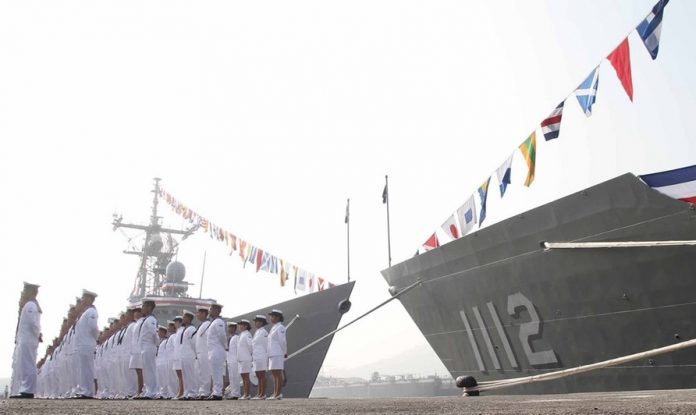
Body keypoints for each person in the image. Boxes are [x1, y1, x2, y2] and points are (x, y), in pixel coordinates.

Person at [10, 282, 42, 399]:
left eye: (26, 290)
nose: (24, 293)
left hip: (28, 339)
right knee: (25, 364)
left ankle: (28, 390)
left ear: (32, 292)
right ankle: (26, 389)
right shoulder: (30, 305)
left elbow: (33, 323)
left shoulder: (30, 305)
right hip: (27, 339)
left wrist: (38, 335)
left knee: (28, 364)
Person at [73, 290, 99, 399]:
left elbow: (93, 328)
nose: (82, 300)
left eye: (84, 298)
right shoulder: (86, 313)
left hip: (87, 344)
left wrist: (94, 339)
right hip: (83, 345)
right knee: (83, 369)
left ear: (90, 299)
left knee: (87, 369)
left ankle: (88, 391)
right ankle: (84, 390)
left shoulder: (91, 311)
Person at [135, 299, 158, 399]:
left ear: (149, 307)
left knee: (150, 370)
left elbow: (154, 333)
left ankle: (152, 391)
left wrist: (156, 344)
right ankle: (148, 390)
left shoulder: (151, 319)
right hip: (144, 348)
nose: (142, 308)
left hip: (149, 347)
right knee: (146, 370)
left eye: (144, 306)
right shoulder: (146, 319)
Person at [206, 303, 227, 400]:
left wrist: (224, 347)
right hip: (213, 350)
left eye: (211, 309)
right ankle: (215, 392)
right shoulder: (214, 322)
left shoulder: (219, 321)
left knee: (217, 372)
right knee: (214, 372)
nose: (209, 311)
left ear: (216, 311)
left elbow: (222, 336)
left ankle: (218, 393)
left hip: (217, 350)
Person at [267, 309, 287, 400]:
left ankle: (278, 393)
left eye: (273, 316)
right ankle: (275, 393)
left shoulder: (280, 327)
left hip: (278, 353)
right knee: (274, 374)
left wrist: (285, 352)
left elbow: (282, 341)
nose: (271, 318)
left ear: (278, 317)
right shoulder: (274, 327)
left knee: (278, 373)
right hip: (272, 353)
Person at [178, 310, 198, 399]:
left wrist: (194, 354)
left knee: (190, 374)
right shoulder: (185, 329)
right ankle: (187, 392)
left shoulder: (192, 329)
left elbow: (194, 343)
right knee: (185, 375)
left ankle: (192, 393)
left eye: (185, 317)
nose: (183, 318)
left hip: (189, 354)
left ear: (189, 318)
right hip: (184, 354)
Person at [193, 306, 212, 398]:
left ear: (204, 314)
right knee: (200, 373)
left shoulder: (208, 324)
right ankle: (201, 391)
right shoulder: (202, 325)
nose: (197, 315)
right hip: (200, 352)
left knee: (205, 372)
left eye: (199, 313)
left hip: (205, 351)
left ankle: (205, 392)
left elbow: (209, 338)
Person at [128, 304, 145, 397]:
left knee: (140, 371)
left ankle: (140, 390)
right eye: (135, 312)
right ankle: (139, 390)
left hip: (139, 350)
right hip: (135, 350)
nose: (135, 314)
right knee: (137, 371)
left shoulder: (142, 322)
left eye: (137, 312)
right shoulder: (136, 323)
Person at [251, 315, 269, 400]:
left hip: (262, 356)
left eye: (257, 321)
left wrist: (266, 357)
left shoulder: (263, 332)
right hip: (256, 356)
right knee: (258, 375)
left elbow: (266, 345)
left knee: (262, 375)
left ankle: (263, 394)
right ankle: (259, 393)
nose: (255, 323)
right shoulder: (257, 332)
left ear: (261, 322)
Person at [236, 319, 253, 400]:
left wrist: (249, 355)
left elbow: (250, 346)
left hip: (246, 358)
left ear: (246, 326)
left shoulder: (247, 334)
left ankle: (247, 394)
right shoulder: (242, 334)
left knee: (246, 376)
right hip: (241, 358)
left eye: (241, 325)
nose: (240, 326)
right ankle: (245, 394)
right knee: (243, 376)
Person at [225, 321, 241, 400]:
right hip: (229, 360)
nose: (229, 329)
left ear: (234, 328)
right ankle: (233, 392)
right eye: (228, 327)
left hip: (235, 360)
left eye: (231, 327)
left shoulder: (237, 337)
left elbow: (239, 349)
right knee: (231, 378)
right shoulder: (229, 338)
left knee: (235, 377)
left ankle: (236, 393)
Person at [155, 325, 168, 399]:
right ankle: (158, 392)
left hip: (163, 361)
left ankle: (164, 392)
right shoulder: (157, 340)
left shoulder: (166, 341)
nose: (159, 333)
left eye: (161, 332)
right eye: (159, 332)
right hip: (157, 360)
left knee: (163, 378)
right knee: (158, 378)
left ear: (164, 333)